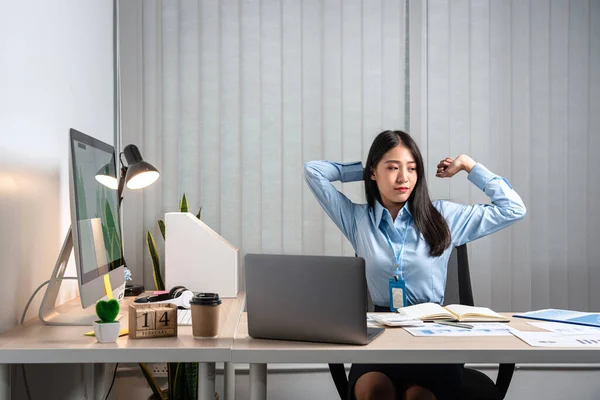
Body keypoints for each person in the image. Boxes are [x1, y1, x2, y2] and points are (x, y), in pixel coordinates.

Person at [303, 130, 526, 400]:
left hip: (433, 336)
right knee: (373, 391)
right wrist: (365, 169)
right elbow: (313, 171)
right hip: (382, 336)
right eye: (392, 168)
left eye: (411, 168)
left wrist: (469, 165)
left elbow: (513, 208)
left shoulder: (444, 216)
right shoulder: (356, 219)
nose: (403, 178)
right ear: (373, 173)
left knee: (418, 396)